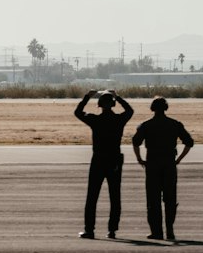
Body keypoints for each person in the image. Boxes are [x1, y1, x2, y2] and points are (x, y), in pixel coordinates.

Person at [132, 96, 193, 241]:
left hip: (152, 164)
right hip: (169, 164)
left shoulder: (145, 125)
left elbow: (135, 142)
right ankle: (170, 229)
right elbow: (189, 142)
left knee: (153, 199)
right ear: (166, 108)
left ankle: (156, 231)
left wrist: (139, 158)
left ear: (152, 108)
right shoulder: (175, 124)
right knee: (170, 198)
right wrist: (178, 159)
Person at [74, 89, 133, 239]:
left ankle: (89, 229)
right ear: (113, 105)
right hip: (114, 160)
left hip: (99, 159)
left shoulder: (95, 120)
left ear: (99, 105)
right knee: (115, 195)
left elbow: (78, 112)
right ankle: (112, 230)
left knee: (92, 196)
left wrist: (87, 97)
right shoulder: (119, 120)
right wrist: (118, 97)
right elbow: (130, 110)